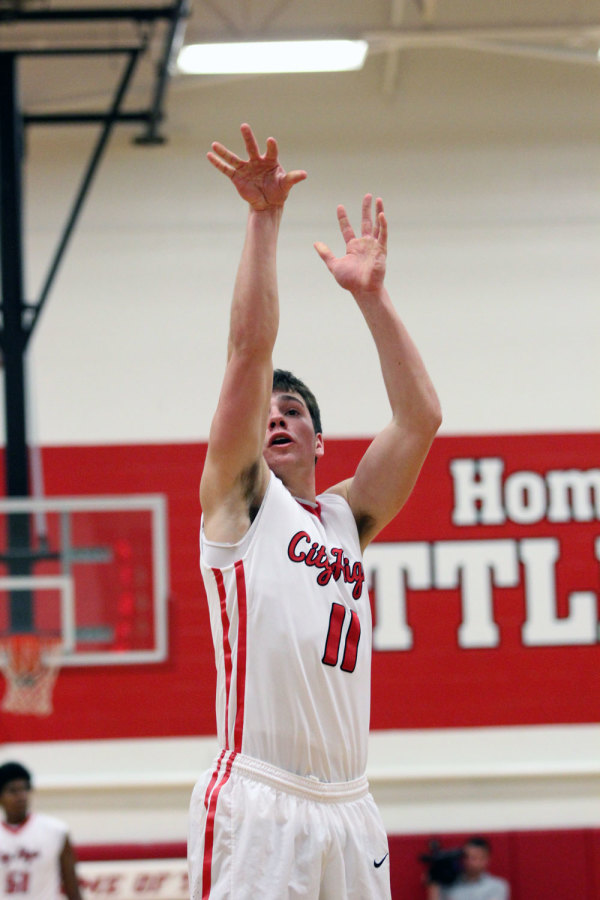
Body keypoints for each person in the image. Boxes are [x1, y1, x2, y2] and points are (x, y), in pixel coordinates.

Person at [188, 123, 442, 899]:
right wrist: (264, 222)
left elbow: (419, 419)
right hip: (260, 797)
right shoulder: (239, 504)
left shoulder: (344, 522)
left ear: (319, 439)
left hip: (351, 806)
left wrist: (372, 296)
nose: (274, 417)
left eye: (291, 410)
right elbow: (247, 351)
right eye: (265, 411)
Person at [0, 760, 82, 900]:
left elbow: (72, 887)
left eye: (25, 789)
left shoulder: (56, 831)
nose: (21, 796)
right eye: (13, 791)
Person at [426, 837, 510, 900]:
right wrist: (434, 883)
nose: (469, 862)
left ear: (486, 860)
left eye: (474, 858)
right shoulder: (449, 885)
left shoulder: (496, 886)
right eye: (466, 857)